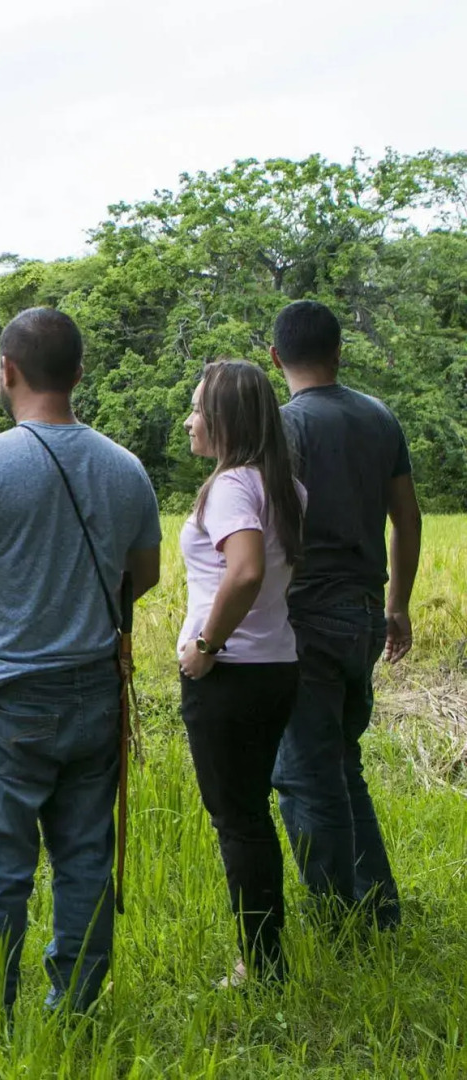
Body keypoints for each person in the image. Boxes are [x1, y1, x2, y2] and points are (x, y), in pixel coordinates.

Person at [0, 308, 161, 1021]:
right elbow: (139, 575)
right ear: (79, 374)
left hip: (6, 700)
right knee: (84, 858)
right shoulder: (124, 466)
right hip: (94, 696)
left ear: (6, 371)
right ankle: (74, 1007)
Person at [269, 300, 422, 931]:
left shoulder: (282, 426)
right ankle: (378, 905)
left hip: (305, 618)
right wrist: (398, 608)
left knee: (303, 773)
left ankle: (333, 917)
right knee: (340, 761)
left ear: (275, 357)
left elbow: (268, 529)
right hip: (364, 614)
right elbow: (407, 519)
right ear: (339, 351)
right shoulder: (379, 417)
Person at [176, 361, 306, 985]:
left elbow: (247, 570)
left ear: (224, 418)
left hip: (231, 673)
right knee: (252, 814)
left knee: (239, 821)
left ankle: (262, 964)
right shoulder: (283, 484)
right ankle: (264, 954)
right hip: (275, 663)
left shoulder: (230, 487)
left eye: (198, 408)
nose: (190, 419)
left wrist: (206, 644)